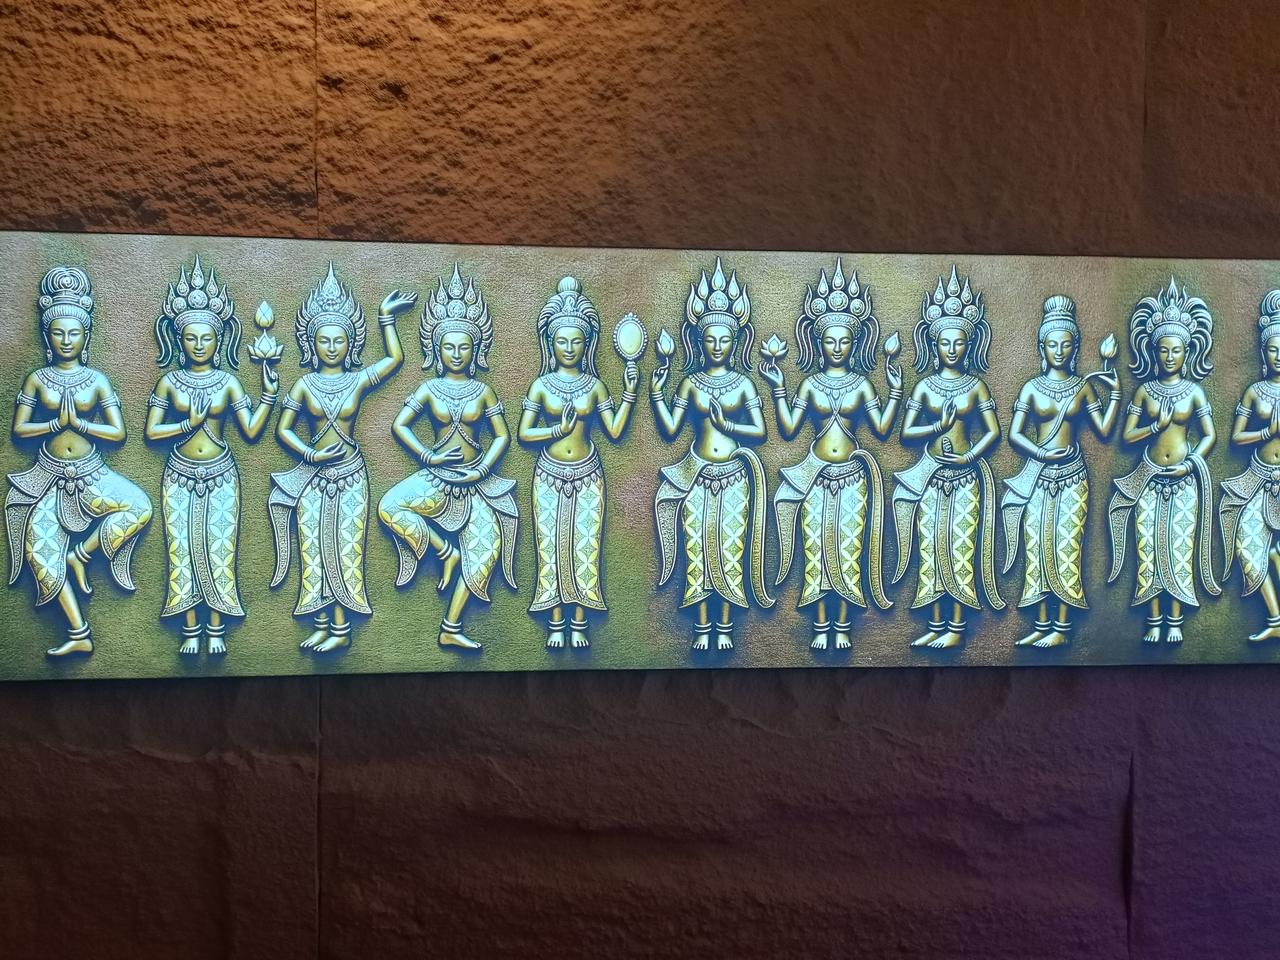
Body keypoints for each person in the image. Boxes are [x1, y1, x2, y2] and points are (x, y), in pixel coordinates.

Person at [6, 266, 153, 656]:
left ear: (85, 336)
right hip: (47, 478)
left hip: (91, 475)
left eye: (74, 333)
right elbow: (19, 429)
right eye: (59, 333)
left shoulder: (96, 380)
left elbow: (117, 433)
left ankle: (82, 554)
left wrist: (81, 425)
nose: (66, 340)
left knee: (139, 506)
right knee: (40, 556)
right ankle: (78, 633)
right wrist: (55, 424)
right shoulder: (37, 379)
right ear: (47, 337)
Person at [270, 264, 412, 653]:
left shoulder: (356, 380)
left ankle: (341, 627)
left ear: (350, 344)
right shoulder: (304, 384)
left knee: (346, 547)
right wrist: (310, 452)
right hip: (314, 476)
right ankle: (320, 624)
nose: (331, 347)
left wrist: (386, 318)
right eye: (324, 340)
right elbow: (283, 430)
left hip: (350, 476)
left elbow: (394, 360)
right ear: (311, 344)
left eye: (339, 341)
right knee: (313, 548)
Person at [760, 259, 901, 650]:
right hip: (815, 477)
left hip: (853, 479)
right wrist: (778, 386)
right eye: (829, 341)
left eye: (844, 341)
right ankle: (821, 625)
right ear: (818, 343)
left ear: (854, 344)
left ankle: (843, 625)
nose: (837, 348)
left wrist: (895, 391)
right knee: (817, 551)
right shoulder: (810, 384)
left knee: (847, 549)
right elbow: (789, 428)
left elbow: (882, 429)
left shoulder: (861, 384)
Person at [378, 265, 517, 652]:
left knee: (485, 554)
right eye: (449, 348)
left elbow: (502, 436)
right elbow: (399, 425)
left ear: (476, 351)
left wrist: (482, 470)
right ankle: (444, 551)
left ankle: (451, 626)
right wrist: (428, 456)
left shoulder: (483, 391)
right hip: (437, 478)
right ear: (437, 351)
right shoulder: (429, 388)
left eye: (464, 347)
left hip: (477, 484)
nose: (456, 354)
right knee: (389, 507)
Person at [145, 256, 279, 655]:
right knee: (181, 549)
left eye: (207, 338)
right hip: (179, 472)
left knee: (221, 550)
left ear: (219, 342)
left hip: (221, 473)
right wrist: (186, 425)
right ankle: (189, 628)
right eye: (191, 338)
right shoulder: (169, 382)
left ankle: (217, 626)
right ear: (179, 341)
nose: (200, 345)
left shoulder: (228, 382)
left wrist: (268, 394)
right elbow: (152, 432)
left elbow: (251, 431)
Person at [652, 258, 773, 652]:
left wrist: (728, 424)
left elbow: (760, 431)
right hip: (696, 474)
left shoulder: (742, 384)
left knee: (729, 550)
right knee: (698, 550)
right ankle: (702, 626)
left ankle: (725, 625)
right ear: (699, 342)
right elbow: (671, 428)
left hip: (734, 477)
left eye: (724, 340)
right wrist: (656, 391)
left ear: (735, 342)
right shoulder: (690, 383)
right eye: (710, 340)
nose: (717, 346)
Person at [517, 277, 638, 649]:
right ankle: (556, 620)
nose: (568, 348)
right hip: (549, 474)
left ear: (587, 345)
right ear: (550, 344)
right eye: (561, 341)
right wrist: (557, 430)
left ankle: (581, 619)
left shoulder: (595, 385)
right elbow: (524, 434)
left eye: (576, 342)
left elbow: (614, 431)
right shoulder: (541, 385)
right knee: (551, 545)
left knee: (586, 546)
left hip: (588, 473)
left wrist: (629, 392)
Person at [892, 266, 1004, 649]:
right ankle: (935, 622)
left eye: (959, 343)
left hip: (965, 478)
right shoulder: (925, 387)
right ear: (934, 345)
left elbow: (992, 432)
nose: (952, 349)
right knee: (931, 548)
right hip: (930, 476)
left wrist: (970, 455)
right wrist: (937, 426)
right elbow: (906, 433)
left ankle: (956, 625)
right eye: (945, 343)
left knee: (958, 548)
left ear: (969, 345)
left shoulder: (976, 386)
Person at [1000, 296, 1119, 647]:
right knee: (1037, 546)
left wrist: (1114, 394)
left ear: (1075, 347)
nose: (1059, 351)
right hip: (1038, 476)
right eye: (1052, 345)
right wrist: (1040, 452)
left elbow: (1103, 431)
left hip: (1072, 478)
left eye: (1066, 345)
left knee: (1066, 547)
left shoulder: (1082, 387)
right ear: (1042, 347)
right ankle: (1041, 623)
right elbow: (1015, 434)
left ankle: (1062, 627)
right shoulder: (1032, 388)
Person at [1107, 277, 1220, 644]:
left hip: (1184, 480)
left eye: (1177, 351)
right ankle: (1153, 618)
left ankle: (1175, 619)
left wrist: (1191, 463)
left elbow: (1209, 435)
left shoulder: (1194, 392)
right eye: (1163, 350)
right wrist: (1154, 425)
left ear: (1188, 353)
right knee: (1149, 549)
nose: (1170, 357)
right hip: (1149, 478)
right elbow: (1127, 436)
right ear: (1153, 353)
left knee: (1178, 548)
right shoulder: (1145, 391)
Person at [1219, 289, 1280, 642]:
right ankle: (1275, 618)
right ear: (1263, 353)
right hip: (1257, 477)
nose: (1279, 356)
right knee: (1249, 549)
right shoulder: (1255, 391)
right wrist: (1266, 432)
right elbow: (1236, 437)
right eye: (1273, 349)